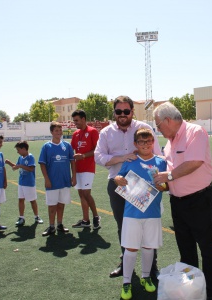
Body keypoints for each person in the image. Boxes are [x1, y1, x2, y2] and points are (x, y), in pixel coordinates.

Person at [153, 102, 212, 300]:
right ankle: (192, 290)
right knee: (186, 250)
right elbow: (169, 168)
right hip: (177, 202)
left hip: (199, 200)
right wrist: (163, 183)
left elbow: (194, 162)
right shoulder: (170, 141)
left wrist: (169, 177)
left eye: (158, 125)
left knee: (207, 249)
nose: (158, 129)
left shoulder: (195, 132)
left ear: (168, 120)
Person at [94, 95, 161, 278]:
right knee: (123, 226)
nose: (122, 114)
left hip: (143, 186)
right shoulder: (106, 132)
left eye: (126, 111)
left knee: (148, 226)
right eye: (118, 111)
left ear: (132, 111)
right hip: (118, 184)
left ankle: (152, 266)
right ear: (114, 112)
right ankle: (125, 264)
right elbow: (98, 156)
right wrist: (122, 158)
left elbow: (157, 154)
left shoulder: (144, 128)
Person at [113, 128, 167, 300]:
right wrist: (118, 180)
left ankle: (145, 277)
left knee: (148, 247)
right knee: (130, 248)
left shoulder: (161, 162)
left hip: (152, 213)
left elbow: (166, 186)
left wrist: (163, 187)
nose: (145, 144)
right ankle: (126, 282)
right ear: (135, 144)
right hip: (132, 213)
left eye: (148, 141)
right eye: (141, 142)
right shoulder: (130, 161)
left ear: (153, 142)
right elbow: (118, 179)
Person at [39, 121, 76, 237]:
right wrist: (46, 179)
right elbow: (42, 164)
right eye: (56, 130)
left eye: (60, 130)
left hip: (65, 181)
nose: (59, 132)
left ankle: (59, 224)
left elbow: (72, 162)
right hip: (52, 181)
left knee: (61, 204)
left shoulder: (67, 146)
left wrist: (73, 176)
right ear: (51, 132)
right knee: (52, 205)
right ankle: (51, 226)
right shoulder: (46, 147)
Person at [70, 109, 101, 230]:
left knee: (87, 194)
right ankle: (85, 220)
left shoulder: (92, 131)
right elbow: (70, 149)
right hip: (77, 168)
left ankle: (96, 216)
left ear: (83, 119)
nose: (75, 123)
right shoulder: (75, 133)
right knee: (81, 194)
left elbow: (97, 150)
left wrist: (83, 156)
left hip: (88, 168)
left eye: (77, 120)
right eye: (74, 121)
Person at [5, 141, 44, 226]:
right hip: (21, 183)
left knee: (32, 200)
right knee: (21, 200)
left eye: (18, 150)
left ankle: (37, 216)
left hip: (29, 183)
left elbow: (31, 169)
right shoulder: (20, 158)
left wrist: (20, 166)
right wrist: (9, 163)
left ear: (23, 149)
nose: (17, 152)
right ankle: (21, 217)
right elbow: (15, 167)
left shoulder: (30, 157)